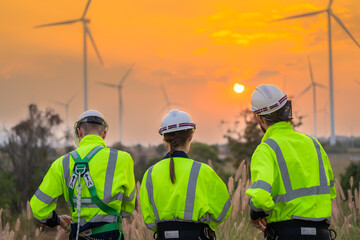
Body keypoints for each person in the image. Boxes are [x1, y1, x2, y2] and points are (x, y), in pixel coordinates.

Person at [246, 84, 337, 240]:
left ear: (260, 118)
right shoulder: (314, 144)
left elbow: (261, 196)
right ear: (287, 109)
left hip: (286, 233)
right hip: (321, 234)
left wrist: (255, 214)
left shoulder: (266, 149)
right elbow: (331, 190)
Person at [30, 110, 136, 240]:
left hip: (78, 236)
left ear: (79, 132)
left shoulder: (62, 163)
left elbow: (38, 206)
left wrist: (57, 220)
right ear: (104, 134)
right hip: (111, 235)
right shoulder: (123, 159)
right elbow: (128, 207)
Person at [140, 109, 231, 240]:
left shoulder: (150, 174)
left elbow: (149, 220)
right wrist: (204, 224)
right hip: (197, 235)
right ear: (190, 136)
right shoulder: (203, 171)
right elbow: (223, 210)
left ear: (164, 138)